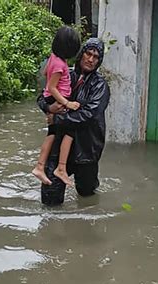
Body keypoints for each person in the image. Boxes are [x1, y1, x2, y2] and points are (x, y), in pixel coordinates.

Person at [36, 38, 110, 206]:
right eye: (88, 54)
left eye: (95, 57)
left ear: (99, 61)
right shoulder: (64, 73)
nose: (90, 59)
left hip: (86, 149)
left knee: (87, 194)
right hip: (59, 146)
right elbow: (44, 96)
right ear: (81, 54)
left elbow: (89, 114)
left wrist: (58, 118)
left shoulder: (100, 86)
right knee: (50, 196)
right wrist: (49, 108)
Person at [32, 26, 81, 187]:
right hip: (58, 99)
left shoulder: (53, 58)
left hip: (51, 98)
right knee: (70, 132)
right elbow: (52, 86)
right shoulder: (60, 65)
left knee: (52, 133)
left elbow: (45, 73)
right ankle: (61, 168)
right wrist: (66, 103)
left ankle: (40, 166)